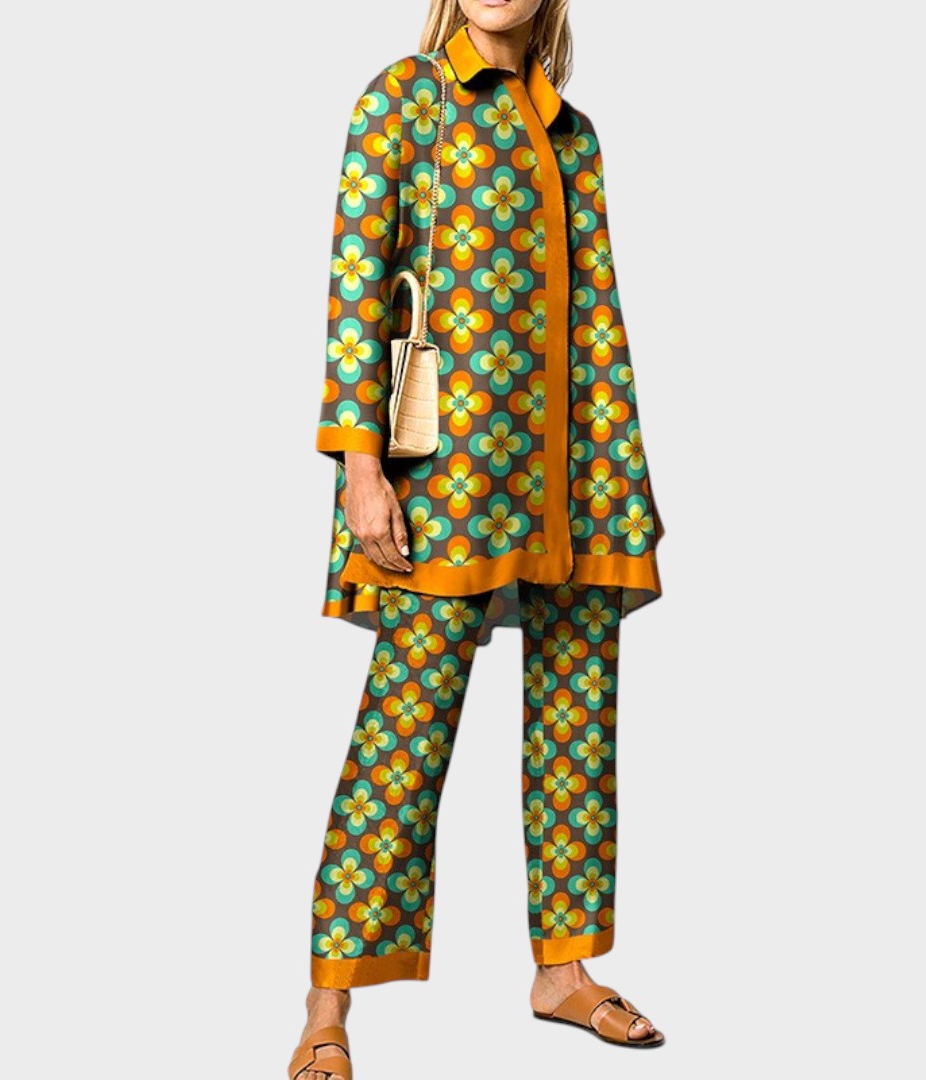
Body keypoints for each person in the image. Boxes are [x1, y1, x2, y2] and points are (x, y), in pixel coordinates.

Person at [290, 2, 666, 1076]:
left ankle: (564, 971)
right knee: (403, 734)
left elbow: (598, 315)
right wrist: (361, 468)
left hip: (578, 472)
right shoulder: (402, 102)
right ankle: (327, 1003)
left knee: (577, 720)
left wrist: (624, 472)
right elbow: (357, 290)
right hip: (450, 478)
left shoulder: (574, 135)